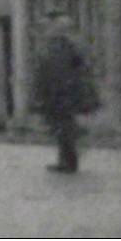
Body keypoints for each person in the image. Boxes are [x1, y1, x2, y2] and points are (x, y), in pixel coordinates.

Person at [31, 13, 99, 174]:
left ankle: (68, 161)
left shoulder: (59, 47)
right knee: (62, 128)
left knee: (62, 128)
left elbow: (54, 72)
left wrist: (45, 94)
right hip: (63, 94)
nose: (46, 31)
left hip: (60, 95)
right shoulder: (66, 46)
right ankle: (66, 159)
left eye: (48, 28)